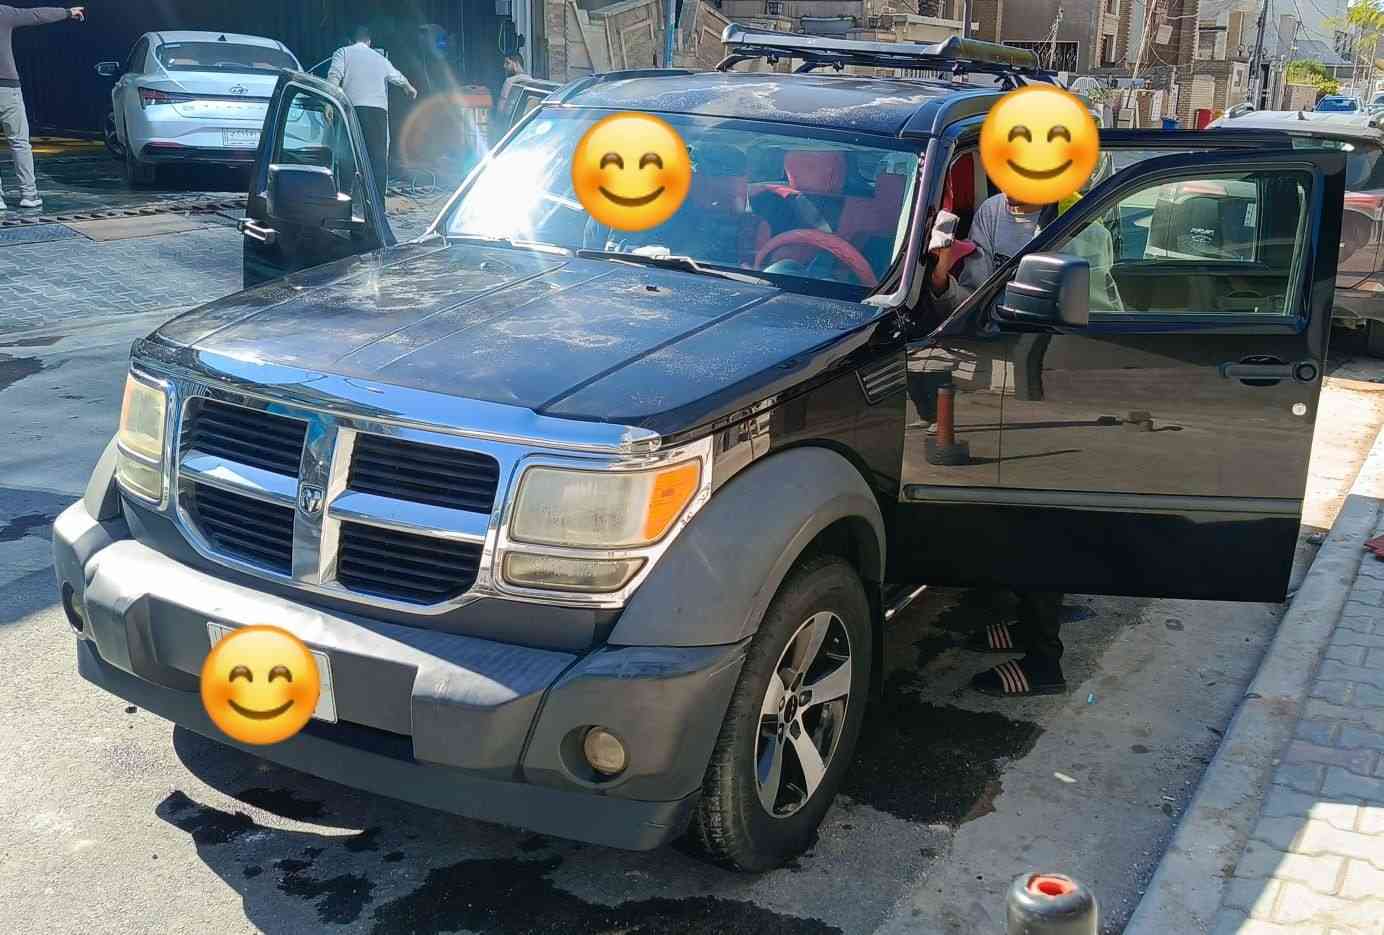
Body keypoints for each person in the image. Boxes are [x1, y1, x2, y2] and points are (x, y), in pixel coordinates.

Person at [925, 189, 1115, 698]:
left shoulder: (1085, 220)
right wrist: (941, 276)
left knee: (1042, 525)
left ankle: (1045, 663)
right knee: (1015, 518)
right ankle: (1028, 627)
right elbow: (971, 301)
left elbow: (1097, 315)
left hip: (1057, 386)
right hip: (1004, 380)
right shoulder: (993, 213)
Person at [0, 5, 84, 211]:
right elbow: (35, 15)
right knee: (19, 142)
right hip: (7, 87)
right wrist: (67, 12)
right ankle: (29, 195)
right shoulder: (2, 12)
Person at [327, 25, 417, 204]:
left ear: (351, 40)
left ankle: (344, 201)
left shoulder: (343, 52)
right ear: (369, 41)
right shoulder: (379, 58)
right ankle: (378, 205)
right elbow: (397, 77)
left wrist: (329, 103)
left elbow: (334, 76)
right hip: (377, 112)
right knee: (378, 159)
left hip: (351, 110)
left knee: (348, 157)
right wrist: (409, 88)